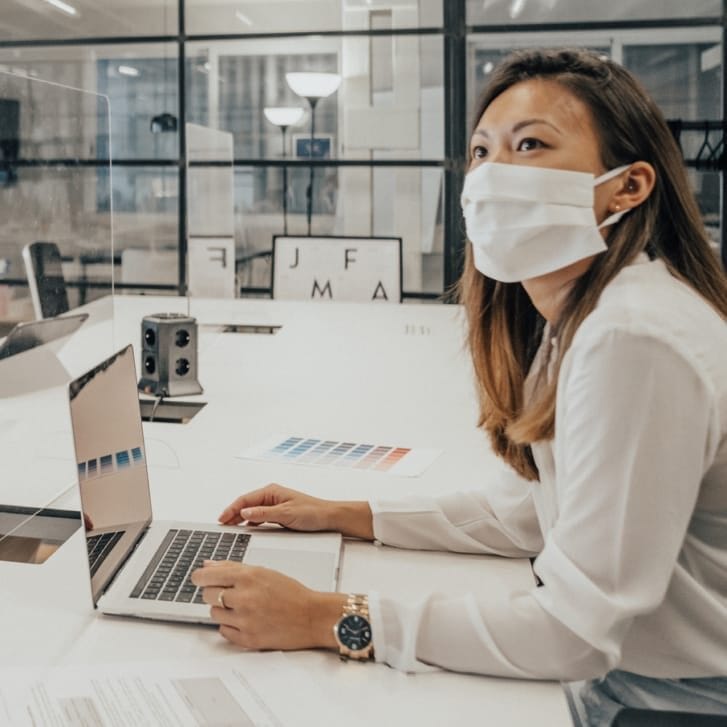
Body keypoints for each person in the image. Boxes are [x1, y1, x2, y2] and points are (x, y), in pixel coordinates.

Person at [192, 48, 727, 725]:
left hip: (670, 700)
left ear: (627, 186)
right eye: (480, 152)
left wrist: (329, 616)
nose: (493, 174)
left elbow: (575, 630)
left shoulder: (635, 337)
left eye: (530, 144)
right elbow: (529, 514)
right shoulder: (581, 316)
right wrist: (349, 513)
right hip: (645, 679)